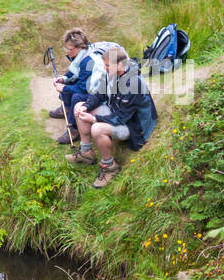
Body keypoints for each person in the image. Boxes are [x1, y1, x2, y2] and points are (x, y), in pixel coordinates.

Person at [65, 45, 158, 188]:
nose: (105, 68)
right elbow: (98, 95)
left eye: (108, 65)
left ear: (120, 64)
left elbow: (121, 118)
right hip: (116, 113)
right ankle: (86, 152)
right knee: (78, 107)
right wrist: (86, 106)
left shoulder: (134, 83)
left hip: (134, 126)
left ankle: (110, 166)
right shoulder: (112, 75)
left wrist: (95, 119)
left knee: (97, 129)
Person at [49, 29, 93, 145]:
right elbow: (74, 71)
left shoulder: (88, 61)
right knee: (67, 84)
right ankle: (67, 109)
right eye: (66, 48)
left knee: (77, 97)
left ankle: (74, 129)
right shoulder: (80, 55)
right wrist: (63, 79)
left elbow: (83, 88)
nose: (67, 52)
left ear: (79, 47)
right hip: (87, 86)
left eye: (69, 49)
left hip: (97, 93)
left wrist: (64, 88)